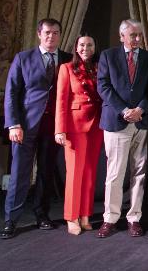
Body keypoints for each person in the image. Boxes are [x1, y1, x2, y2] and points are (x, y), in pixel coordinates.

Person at [0, 18, 72, 239]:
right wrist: (14, 124)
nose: (51, 36)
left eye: (56, 33)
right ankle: (11, 220)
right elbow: (11, 92)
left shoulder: (69, 59)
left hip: (54, 127)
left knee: (46, 173)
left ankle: (42, 215)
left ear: (60, 35)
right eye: (47, 32)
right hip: (25, 126)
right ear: (39, 34)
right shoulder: (23, 58)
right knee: (20, 173)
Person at [96, 19, 148, 238]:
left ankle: (134, 218)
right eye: (133, 35)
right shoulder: (108, 56)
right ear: (122, 36)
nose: (138, 39)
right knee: (115, 173)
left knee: (139, 172)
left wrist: (140, 109)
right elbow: (103, 86)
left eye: (139, 35)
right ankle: (110, 219)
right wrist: (124, 110)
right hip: (117, 122)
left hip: (141, 122)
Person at [54, 34, 103, 235]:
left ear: (94, 47)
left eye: (90, 45)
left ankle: (85, 214)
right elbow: (61, 100)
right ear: (76, 47)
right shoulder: (66, 68)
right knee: (75, 173)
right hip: (75, 126)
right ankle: (71, 216)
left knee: (91, 172)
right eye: (82, 45)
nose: (85, 48)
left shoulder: (100, 68)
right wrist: (59, 129)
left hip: (97, 125)